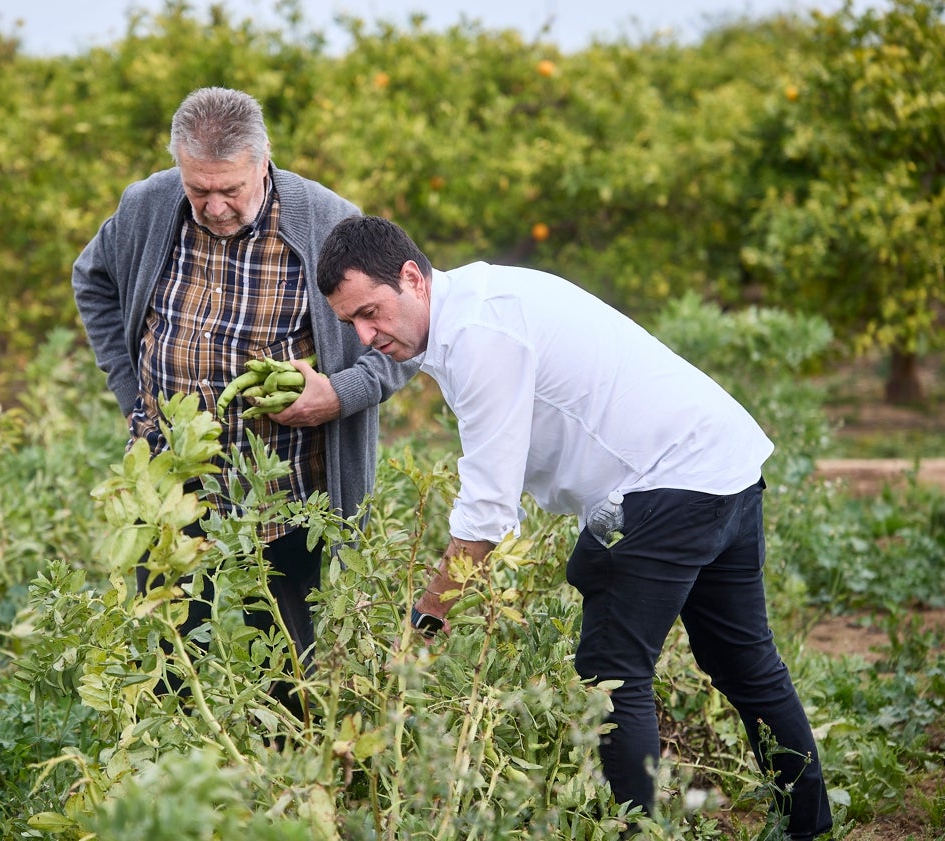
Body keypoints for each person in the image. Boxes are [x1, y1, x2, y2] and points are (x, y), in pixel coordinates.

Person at [315, 215, 833, 839]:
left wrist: (428, 619)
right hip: (719, 462)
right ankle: (810, 828)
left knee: (612, 675)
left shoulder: (479, 333)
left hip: (669, 479)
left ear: (411, 278)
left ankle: (632, 831)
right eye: (352, 324)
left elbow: (487, 507)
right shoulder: (475, 305)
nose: (367, 336)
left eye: (371, 312)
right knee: (743, 661)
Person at [71, 89, 416, 717]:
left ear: (263, 163)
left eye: (229, 188)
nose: (214, 205)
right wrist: (131, 392)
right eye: (199, 189)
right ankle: (183, 787)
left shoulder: (329, 222)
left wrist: (337, 395)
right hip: (171, 478)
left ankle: (292, 788)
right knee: (170, 653)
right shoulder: (148, 207)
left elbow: (409, 341)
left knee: (294, 667)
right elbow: (92, 281)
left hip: (287, 488)